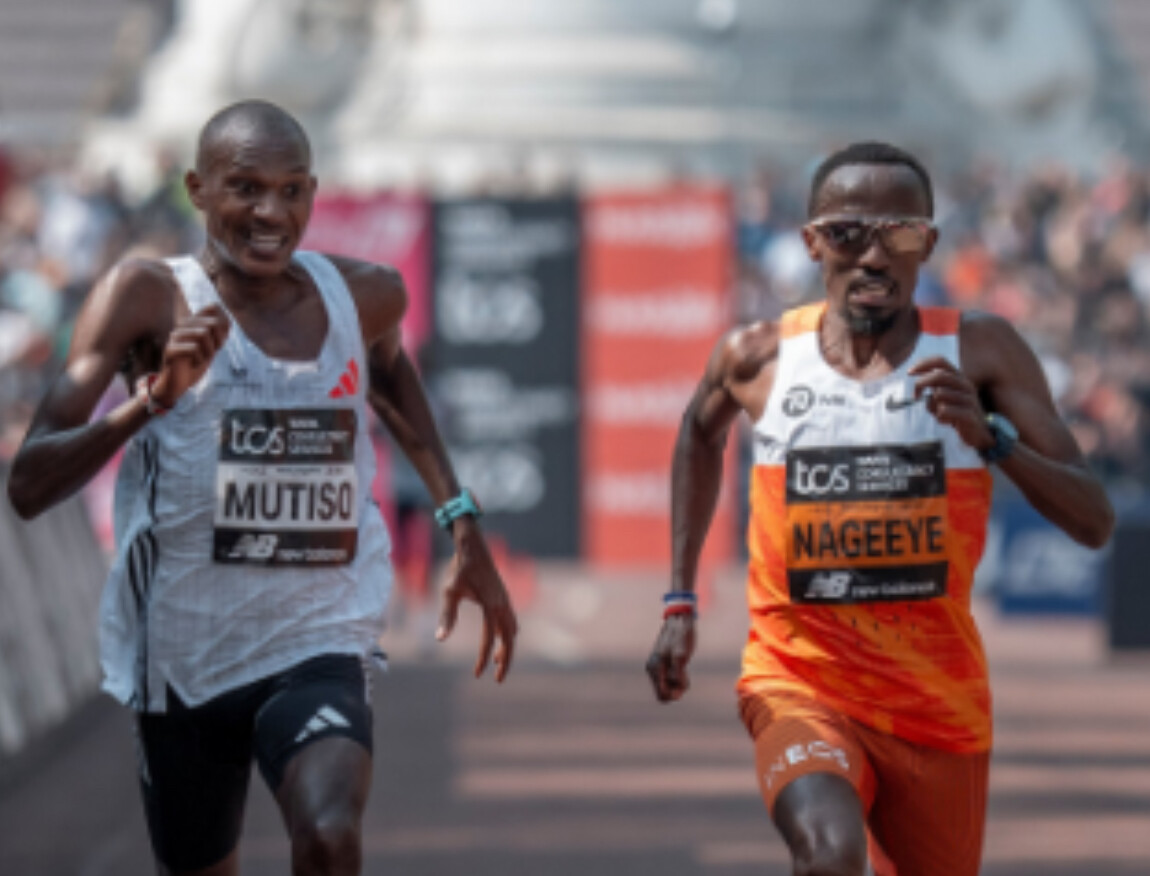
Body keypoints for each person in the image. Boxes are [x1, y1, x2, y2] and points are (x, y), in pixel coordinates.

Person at [7, 99, 518, 876]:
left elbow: (391, 379)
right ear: (197, 189)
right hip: (184, 658)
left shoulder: (366, 295)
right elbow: (28, 483)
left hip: (317, 640)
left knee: (330, 832)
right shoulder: (145, 297)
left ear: (312, 192)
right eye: (245, 188)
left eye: (290, 190)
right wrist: (151, 401)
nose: (271, 213)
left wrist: (462, 522)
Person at [646, 141, 1114, 876]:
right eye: (847, 234)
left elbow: (1094, 519)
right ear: (811, 243)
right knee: (828, 854)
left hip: (936, 703)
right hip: (799, 679)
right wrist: (680, 598)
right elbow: (697, 435)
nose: (873, 258)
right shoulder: (757, 358)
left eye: (899, 235)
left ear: (928, 243)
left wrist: (993, 440)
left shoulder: (981, 351)